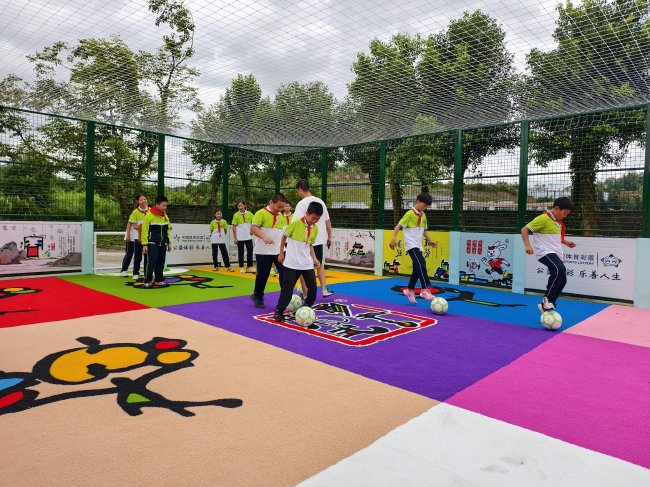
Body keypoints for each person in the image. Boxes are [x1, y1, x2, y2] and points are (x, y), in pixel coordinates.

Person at [521, 196, 576, 312]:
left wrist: (566, 242)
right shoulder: (543, 218)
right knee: (559, 269)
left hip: (554, 252)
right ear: (556, 208)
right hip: (544, 252)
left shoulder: (557, 222)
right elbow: (524, 229)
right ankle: (547, 300)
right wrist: (527, 245)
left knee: (563, 279)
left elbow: (554, 238)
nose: (565, 216)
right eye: (564, 213)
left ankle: (550, 304)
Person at [273, 201, 323, 322]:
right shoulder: (295, 223)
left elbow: (310, 244)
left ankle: (307, 306)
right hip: (292, 263)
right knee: (287, 289)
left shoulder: (315, 228)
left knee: (312, 287)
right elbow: (284, 237)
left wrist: (314, 258)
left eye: (317, 219)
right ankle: (279, 310)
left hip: (306, 263)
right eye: (313, 218)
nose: (314, 221)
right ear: (307, 213)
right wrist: (281, 253)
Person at [389, 193, 437, 304]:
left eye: (426, 206)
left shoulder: (423, 215)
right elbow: (398, 226)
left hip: (418, 245)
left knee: (417, 268)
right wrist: (393, 238)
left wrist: (430, 241)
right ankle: (425, 289)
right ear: (418, 201)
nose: (424, 208)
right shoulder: (409, 214)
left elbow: (424, 231)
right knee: (421, 264)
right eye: (424, 205)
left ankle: (410, 290)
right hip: (411, 244)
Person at [292, 179, 334, 298]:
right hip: (319, 239)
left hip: (306, 240)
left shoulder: (301, 204)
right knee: (319, 265)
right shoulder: (320, 201)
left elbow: (296, 223)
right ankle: (324, 290)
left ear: (300, 189)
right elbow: (328, 221)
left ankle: (305, 294)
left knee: (302, 267)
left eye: (298, 191)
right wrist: (329, 236)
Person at [250, 194, 288, 308]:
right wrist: (264, 236)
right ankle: (258, 296)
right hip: (263, 251)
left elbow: (284, 233)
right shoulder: (261, 213)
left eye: (282, 207)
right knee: (263, 275)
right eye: (278, 206)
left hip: (279, 251)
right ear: (271, 202)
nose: (280, 209)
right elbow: (253, 228)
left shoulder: (281, 216)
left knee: (285, 274)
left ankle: (285, 298)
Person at [141, 195, 172, 288]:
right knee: (152, 262)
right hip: (152, 243)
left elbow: (168, 230)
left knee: (161, 262)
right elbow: (144, 231)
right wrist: (144, 244)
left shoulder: (165, 216)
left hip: (163, 244)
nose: (165, 207)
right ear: (157, 205)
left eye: (166, 206)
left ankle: (158, 280)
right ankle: (147, 281)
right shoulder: (148, 216)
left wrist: (169, 242)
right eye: (163, 205)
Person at [120, 193, 149, 280]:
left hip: (144, 236)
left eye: (144, 199)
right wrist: (128, 235)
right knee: (130, 253)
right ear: (137, 201)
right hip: (134, 236)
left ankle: (144, 272)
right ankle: (124, 270)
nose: (143, 201)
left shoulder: (150, 210)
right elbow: (131, 224)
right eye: (141, 200)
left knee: (144, 255)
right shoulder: (135, 212)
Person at [231, 199, 255, 274]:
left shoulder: (250, 213)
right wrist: (235, 238)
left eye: (241, 205)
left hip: (249, 236)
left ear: (245, 205)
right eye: (239, 206)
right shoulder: (236, 215)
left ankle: (249, 267)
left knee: (250, 251)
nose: (240, 207)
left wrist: (252, 230)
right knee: (240, 252)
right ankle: (241, 267)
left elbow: (254, 223)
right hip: (240, 237)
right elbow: (234, 227)